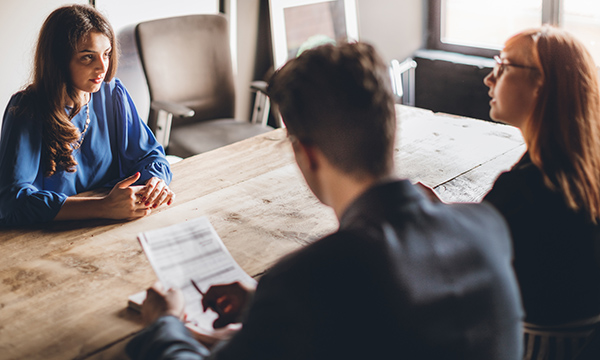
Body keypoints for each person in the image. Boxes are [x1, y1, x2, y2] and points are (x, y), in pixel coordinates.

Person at [126, 42, 523, 360]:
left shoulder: (309, 279)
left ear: (307, 154)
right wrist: (265, 307)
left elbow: (336, 294)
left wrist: (165, 324)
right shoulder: (487, 227)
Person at [481, 26, 600, 359]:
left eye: (503, 67)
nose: (490, 79)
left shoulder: (524, 190)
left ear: (541, 85)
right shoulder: (581, 168)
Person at [0, 4, 174, 227]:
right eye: (87, 57)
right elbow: (12, 202)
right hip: (49, 235)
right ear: (59, 60)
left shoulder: (112, 93)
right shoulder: (26, 110)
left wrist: (155, 183)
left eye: (107, 54)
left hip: (111, 225)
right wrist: (103, 206)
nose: (102, 67)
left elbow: (150, 155)